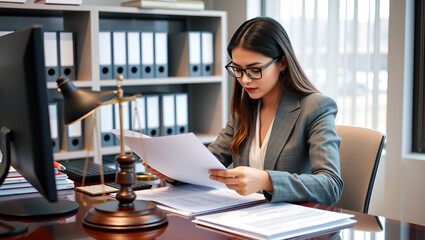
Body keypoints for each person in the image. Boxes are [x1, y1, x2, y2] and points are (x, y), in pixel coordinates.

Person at [144, 16, 343, 206]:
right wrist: (176, 173)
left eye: (254, 69)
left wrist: (267, 180)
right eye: (237, 69)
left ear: (282, 62)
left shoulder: (316, 107)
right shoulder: (245, 109)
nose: (245, 79)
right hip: (248, 221)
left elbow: (331, 185)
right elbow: (209, 164)